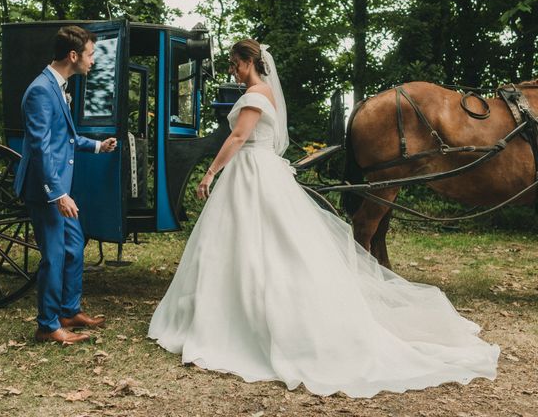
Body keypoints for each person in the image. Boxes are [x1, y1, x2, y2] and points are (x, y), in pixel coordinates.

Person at [148, 39, 499, 397]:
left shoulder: (255, 95)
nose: (233, 72)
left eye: (234, 65)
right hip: (254, 170)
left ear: (247, 61)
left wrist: (209, 173)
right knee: (244, 241)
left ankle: (251, 315)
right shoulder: (262, 92)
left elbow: (239, 136)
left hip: (253, 169)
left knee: (262, 242)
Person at [14, 26, 117, 345]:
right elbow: (41, 146)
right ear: (73, 56)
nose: (93, 61)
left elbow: (65, 137)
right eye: (90, 54)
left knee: (73, 247)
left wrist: (97, 146)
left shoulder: (58, 86)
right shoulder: (41, 90)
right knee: (54, 257)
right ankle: (47, 325)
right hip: (46, 190)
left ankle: (68, 311)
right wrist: (58, 193)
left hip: (60, 188)